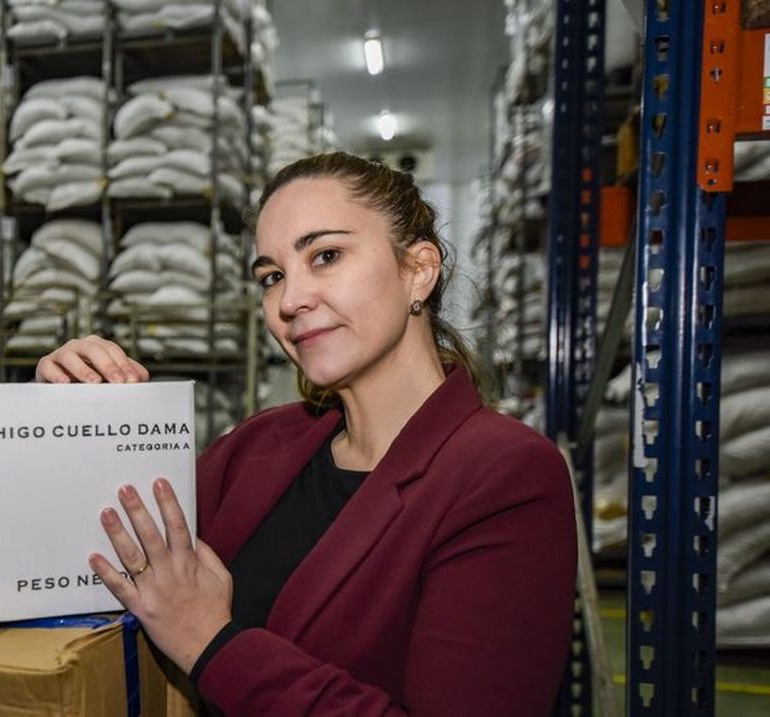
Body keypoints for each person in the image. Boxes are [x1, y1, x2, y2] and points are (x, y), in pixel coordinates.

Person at [35, 152, 576, 716]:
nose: (290, 301)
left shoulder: (505, 473)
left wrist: (211, 644)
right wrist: (66, 425)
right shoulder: (257, 447)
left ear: (418, 269)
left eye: (326, 256)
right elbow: (96, 554)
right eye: (272, 277)